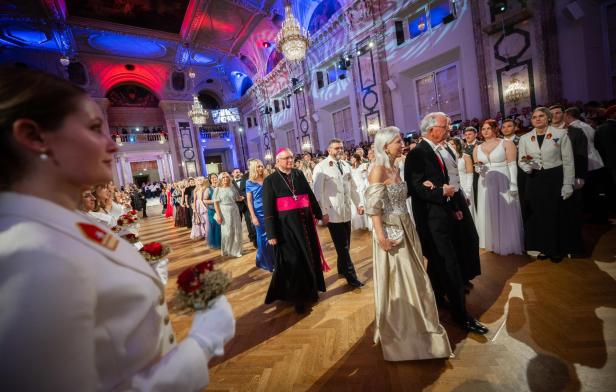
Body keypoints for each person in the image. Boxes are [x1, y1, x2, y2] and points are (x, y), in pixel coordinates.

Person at [0, 67, 235, 391]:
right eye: (96, 128)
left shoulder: (61, 220)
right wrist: (203, 342)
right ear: (34, 136)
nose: (113, 144)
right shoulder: (29, 253)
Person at [366, 127, 452, 361]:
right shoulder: (377, 171)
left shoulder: (395, 168)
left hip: (407, 224)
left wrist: (425, 185)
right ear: (385, 146)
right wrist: (382, 237)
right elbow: (374, 210)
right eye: (397, 141)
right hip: (391, 229)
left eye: (400, 140)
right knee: (400, 278)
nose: (401, 144)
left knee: (415, 277)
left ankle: (418, 323)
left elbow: (400, 196)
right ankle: (402, 332)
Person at [404, 112, 488, 335]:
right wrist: (440, 192)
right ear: (433, 129)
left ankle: (439, 293)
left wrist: (457, 201)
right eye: (446, 125)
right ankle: (461, 315)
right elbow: (414, 188)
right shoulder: (418, 153)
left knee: (462, 247)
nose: (450, 128)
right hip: (433, 216)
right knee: (447, 261)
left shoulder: (446, 147)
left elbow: (450, 177)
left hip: (452, 206)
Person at [262, 148, 328, 313]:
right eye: (286, 159)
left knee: (310, 256)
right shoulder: (270, 180)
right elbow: (268, 209)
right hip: (286, 229)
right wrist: (271, 234)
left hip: (305, 224)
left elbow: (309, 195)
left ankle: (311, 290)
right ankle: (299, 297)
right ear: (278, 161)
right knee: (295, 261)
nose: (290, 161)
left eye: (291, 157)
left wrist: (319, 214)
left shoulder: (298, 174)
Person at [518, 107, 575, 262]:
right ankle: (544, 248)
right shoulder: (525, 138)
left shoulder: (561, 134)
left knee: (555, 214)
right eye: (534, 117)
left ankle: (557, 249)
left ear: (548, 118)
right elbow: (522, 159)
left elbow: (568, 161)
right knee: (538, 215)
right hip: (534, 178)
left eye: (541, 116)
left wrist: (568, 184)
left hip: (554, 178)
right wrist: (527, 167)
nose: (537, 119)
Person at [313, 138, 365, 288]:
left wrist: (359, 204)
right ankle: (351, 277)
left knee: (345, 244)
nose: (340, 150)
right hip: (332, 213)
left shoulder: (345, 165)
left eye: (341, 148)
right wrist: (322, 213)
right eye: (336, 148)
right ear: (329, 150)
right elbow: (318, 194)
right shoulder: (321, 167)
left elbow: (353, 188)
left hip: (346, 212)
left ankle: (342, 269)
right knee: (342, 247)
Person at [473, 120, 524, 255]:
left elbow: (512, 164)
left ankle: (508, 241)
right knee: (488, 210)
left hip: (504, 178)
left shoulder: (506, 143)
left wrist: (513, 184)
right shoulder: (477, 148)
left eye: (489, 128)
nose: (485, 131)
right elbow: (477, 168)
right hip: (485, 181)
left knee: (505, 208)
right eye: (483, 129)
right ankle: (491, 240)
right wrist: (479, 169)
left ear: (496, 129)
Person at [246, 159, 274, 272]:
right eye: (258, 167)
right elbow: (249, 201)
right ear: (253, 168)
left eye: (261, 166)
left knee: (272, 235)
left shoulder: (268, 179)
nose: (261, 168)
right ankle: (265, 262)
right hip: (258, 212)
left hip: (270, 210)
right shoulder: (249, 182)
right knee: (262, 237)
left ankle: (275, 259)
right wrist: (253, 216)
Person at [213, 172, 243, 258]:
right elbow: (216, 203)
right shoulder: (217, 189)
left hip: (234, 209)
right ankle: (226, 250)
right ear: (220, 179)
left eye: (227, 177)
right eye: (223, 177)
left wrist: (246, 197)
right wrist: (218, 215)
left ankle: (236, 251)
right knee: (227, 232)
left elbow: (237, 198)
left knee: (236, 230)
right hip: (224, 211)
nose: (225, 179)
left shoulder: (232, 187)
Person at [231, 168, 257, 247]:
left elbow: (249, 190)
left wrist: (244, 197)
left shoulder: (245, 180)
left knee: (249, 222)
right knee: (237, 223)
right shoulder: (230, 183)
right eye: (236, 172)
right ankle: (238, 241)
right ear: (232, 174)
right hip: (236, 205)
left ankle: (253, 239)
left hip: (246, 203)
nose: (238, 173)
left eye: (239, 172)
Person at [349, 153, 368, 230]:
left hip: (361, 186)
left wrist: (365, 172)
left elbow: (365, 177)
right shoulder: (350, 168)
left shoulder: (362, 166)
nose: (351, 160)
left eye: (353, 158)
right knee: (356, 204)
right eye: (351, 158)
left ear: (356, 159)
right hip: (354, 188)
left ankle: (365, 222)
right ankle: (359, 222)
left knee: (362, 203)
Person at [204, 173, 221, 249]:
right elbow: (204, 200)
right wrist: (214, 201)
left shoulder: (221, 187)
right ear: (210, 180)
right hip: (212, 210)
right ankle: (217, 243)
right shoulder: (208, 189)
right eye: (213, 178)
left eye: (216, 177)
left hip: (222, 209)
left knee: (222, 227)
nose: (214, 179)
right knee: (215, 226)